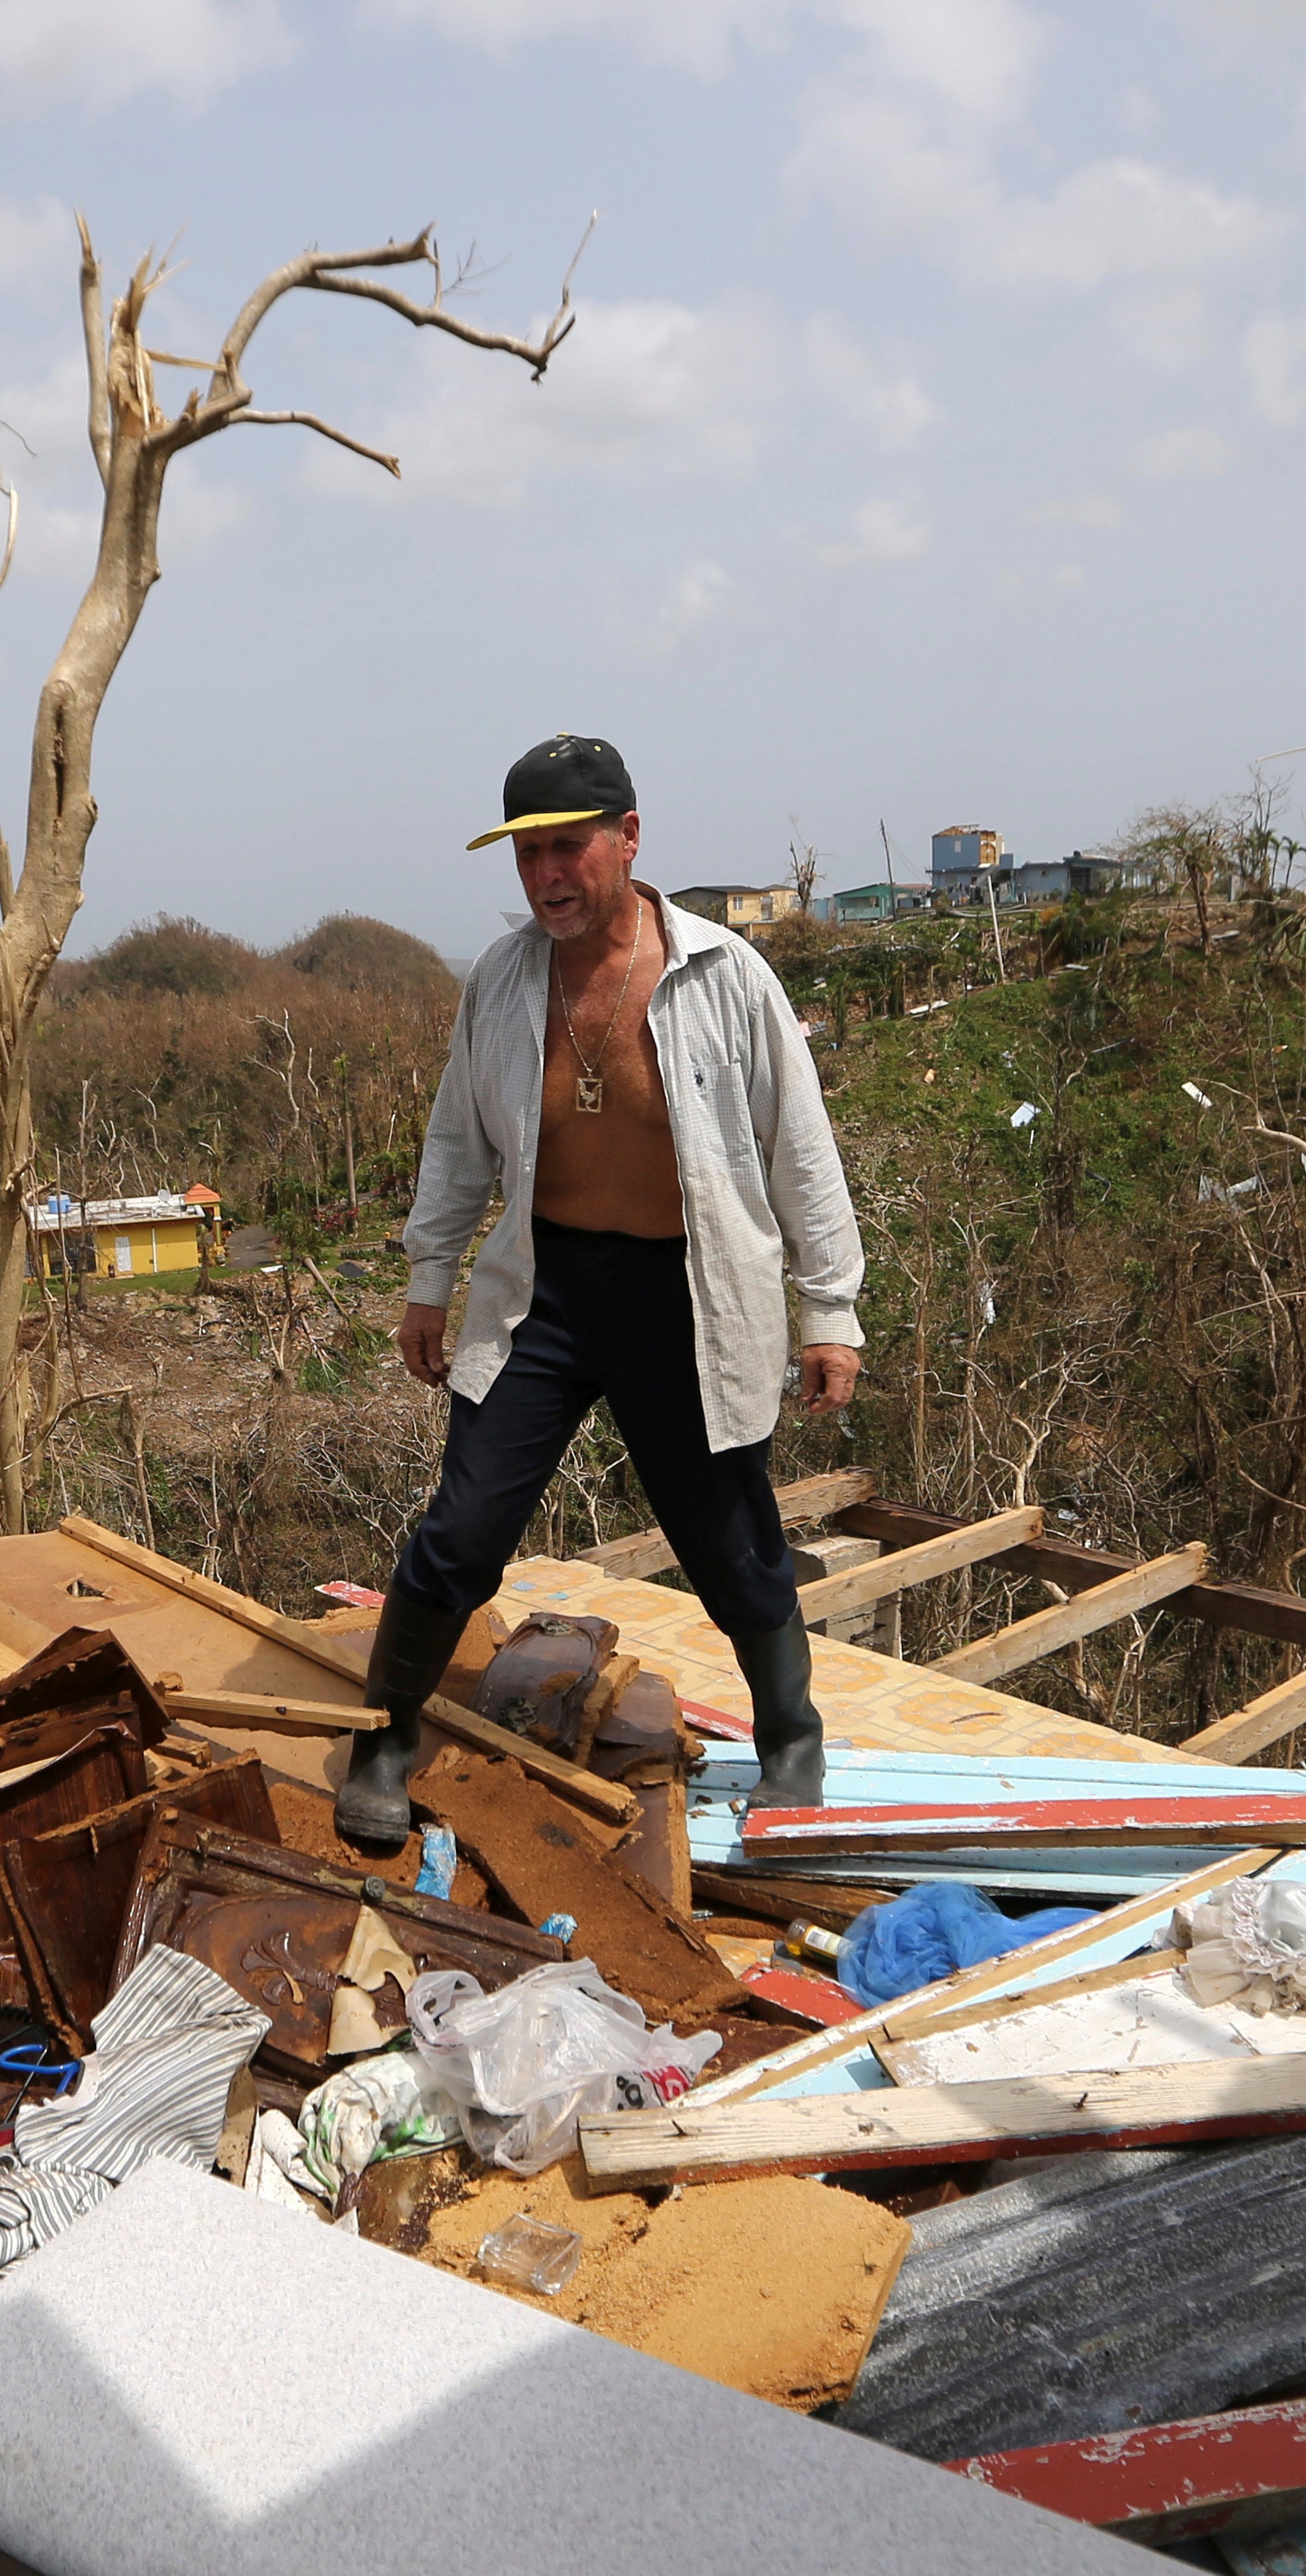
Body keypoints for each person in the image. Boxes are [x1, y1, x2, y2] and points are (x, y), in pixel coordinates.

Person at [335, 732, 865, 1844]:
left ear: (628, 837)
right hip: (547, 1292)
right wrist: (429, 1281)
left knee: (733, 1539)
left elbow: (799, 1151)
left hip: (689, 1295)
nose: (545, 878)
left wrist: (832, 1312)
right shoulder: (502, 979)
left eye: (566, 849)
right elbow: (457, 1142)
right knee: (462, 1530)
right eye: (526, 857)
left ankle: (792, 1740)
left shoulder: (725, 976)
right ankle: (384, 1740)